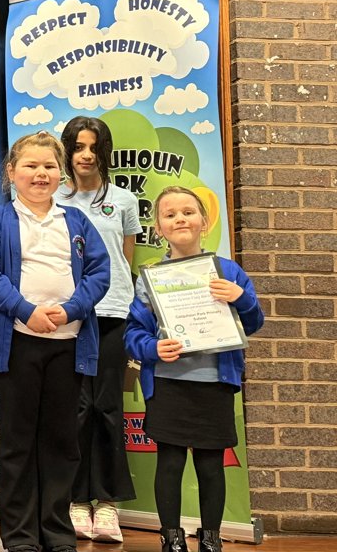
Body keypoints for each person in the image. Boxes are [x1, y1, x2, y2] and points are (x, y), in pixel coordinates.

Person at [0, 131, 110, 552]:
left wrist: (71, 310)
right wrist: (25, 310)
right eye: (30, 165)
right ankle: (21, 535)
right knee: (17, 442)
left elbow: (99, 272)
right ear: (11, 172)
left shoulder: (76, 221)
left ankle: (57, 532)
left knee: (62, 441)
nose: (40, 173)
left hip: (69, 345)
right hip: (16, 343)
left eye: (49, 166)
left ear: (61, 173)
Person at [125, 187, 263, 552]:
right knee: (169, 464)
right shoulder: (150, 278)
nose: (180, 219)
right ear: (159, 228)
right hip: (167, 383)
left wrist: (241, 298)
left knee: (210, 464)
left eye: (188, 212)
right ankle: (171, 538)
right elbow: (133, 333)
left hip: (214, 383)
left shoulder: (229, 272)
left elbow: (253, 323)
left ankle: (211, 538)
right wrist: (152, 348)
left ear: (205, 221)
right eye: (170, 214)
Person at [56, 117, 139, 541]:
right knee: (74, 407)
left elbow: (125, 259)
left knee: (107, 407)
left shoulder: (123, 200)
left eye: (93, 147)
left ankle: (105, 504)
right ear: (67, 151)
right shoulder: (53, 197)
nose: (85, 155)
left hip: (111, 311)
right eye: (78, 147)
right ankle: (74, 500)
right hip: (67, 314)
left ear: (104, 151)